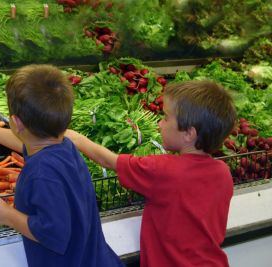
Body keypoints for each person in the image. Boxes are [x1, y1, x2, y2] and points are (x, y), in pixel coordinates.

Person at [0, 64, 124, 267]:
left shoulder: (42, 172)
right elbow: (25, 142)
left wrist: (6, 215)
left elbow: (54, 232)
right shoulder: (64, 147)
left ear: (16, 122)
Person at [65, 80, 237, 267]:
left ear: (189, 133)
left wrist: (75, 138)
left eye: (165, 117)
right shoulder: (223, 172)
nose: (159, 123)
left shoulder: (163, 170)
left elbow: (108, 161)